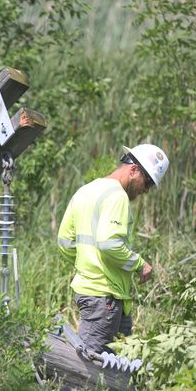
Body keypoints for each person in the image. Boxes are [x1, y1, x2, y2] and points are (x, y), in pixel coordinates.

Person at [57, 144, 169, 354]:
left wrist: (89, 264)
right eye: (147, 183)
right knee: (91, 369)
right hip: (104, 299)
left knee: (120, 366)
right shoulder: (117, 196)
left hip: (102, 296)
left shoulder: (85, 190)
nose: (146, 190)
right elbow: (109, 244)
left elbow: (64, 241)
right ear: (134, 170)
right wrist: (139, 264)